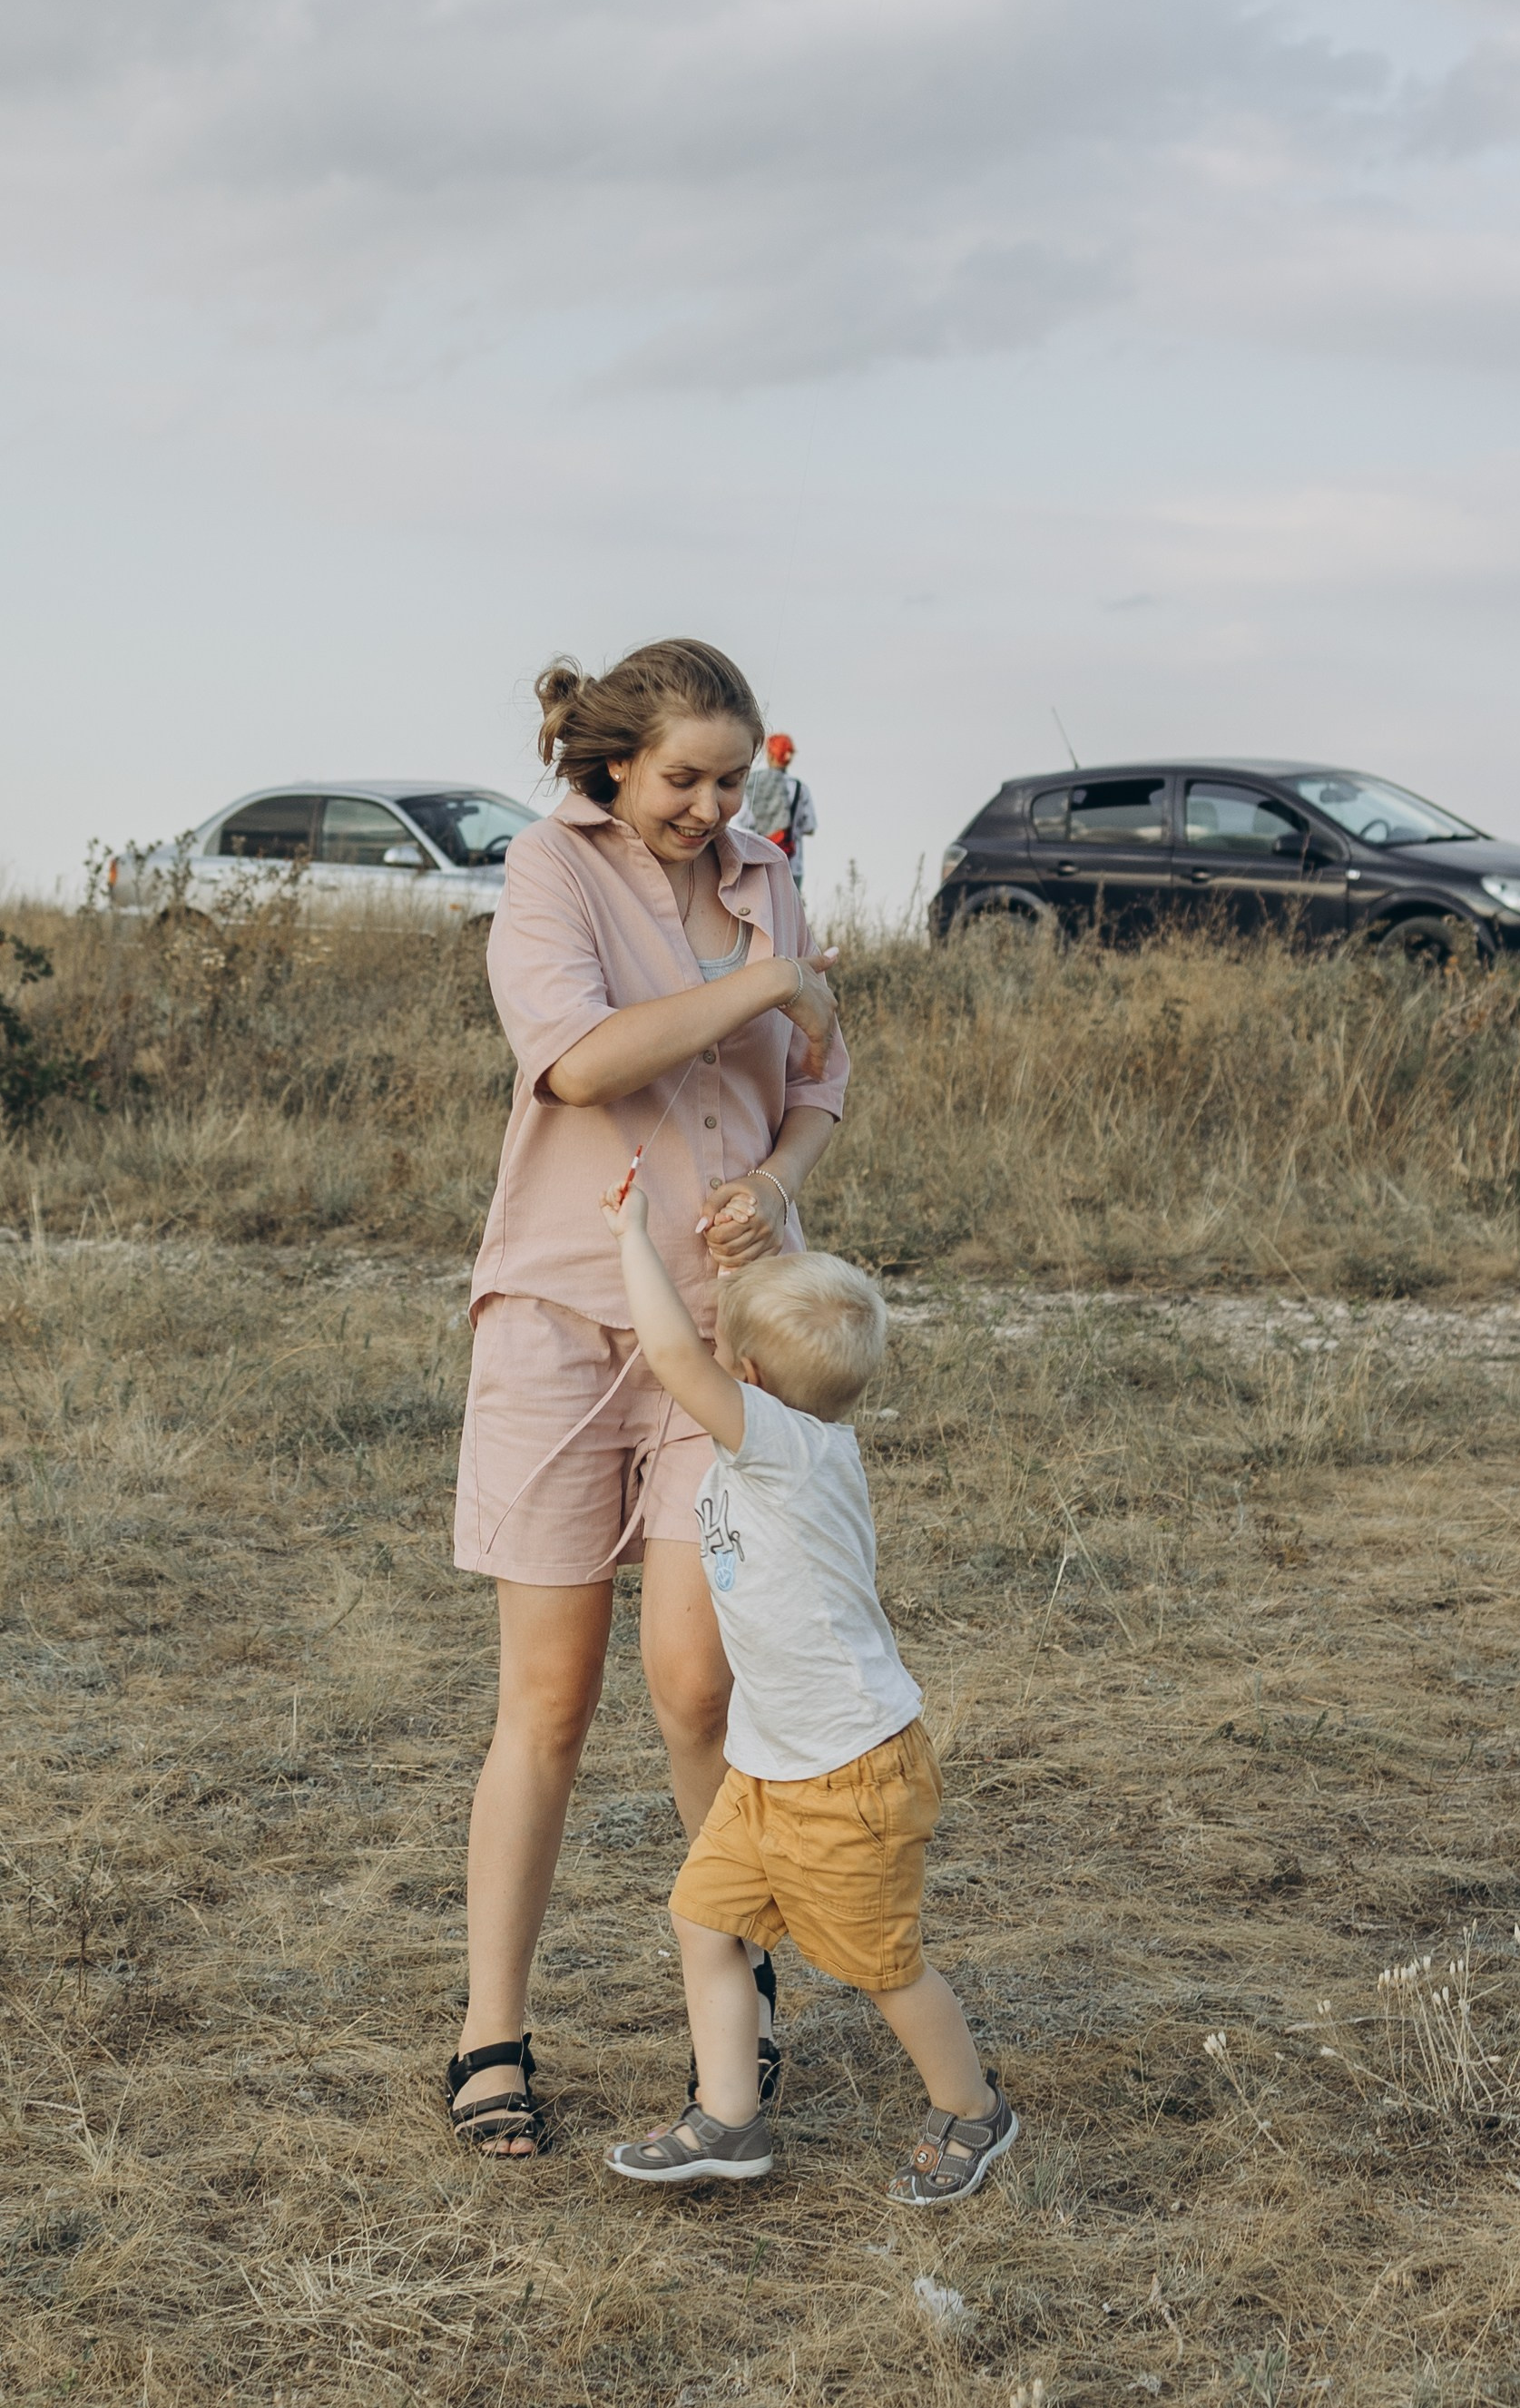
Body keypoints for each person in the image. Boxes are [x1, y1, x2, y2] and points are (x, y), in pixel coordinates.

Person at [445, 640, 848, 2159]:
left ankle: (730, 2013)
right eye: (685, 778)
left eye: (732, 781)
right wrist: (767, 979)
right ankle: (490, 2032)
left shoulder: (765, 879)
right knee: (546, 1704)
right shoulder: (548, 871)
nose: (711, 808)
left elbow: (816, 1079)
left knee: (697, 1689)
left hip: (723, 1338)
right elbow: (577, 1064)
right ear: (614, 759)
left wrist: (776, 1182)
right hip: (559, 1320)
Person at [596, 1191, 1022, 2206]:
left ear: (745, 1380)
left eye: (726, 1352)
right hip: (767, 1764)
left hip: (847, 1773)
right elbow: (717, 1350)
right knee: (705, 1920)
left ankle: (972, 2109)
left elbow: (673, 1354)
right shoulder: (789, 1436)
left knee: (881, 1965)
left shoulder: (784, 1450)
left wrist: (630, 1235)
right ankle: (728, 2118)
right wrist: (735, 1264)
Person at [736, 732, 816, 887]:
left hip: (761, 858)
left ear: (770, 755)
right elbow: (809, 826)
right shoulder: (800, 788)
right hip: (792, 863)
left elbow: (744, 820)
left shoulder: (754, 782)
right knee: (790, 902)